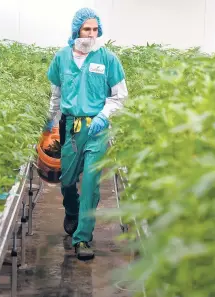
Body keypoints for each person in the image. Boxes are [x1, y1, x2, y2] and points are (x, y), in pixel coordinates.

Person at [44, 7, 128, 260]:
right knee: (67, 181)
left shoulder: (108, 59)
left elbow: (119, 96)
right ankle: (72, 210)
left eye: (95, 30)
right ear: (76, 31)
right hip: (71, 128)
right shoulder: (61, 58)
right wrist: (50, 125)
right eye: (86, 29)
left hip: (97, 128)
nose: (92, 35)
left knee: (91, 182)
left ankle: (82, 238)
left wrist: (104, 116)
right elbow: (56, 96)